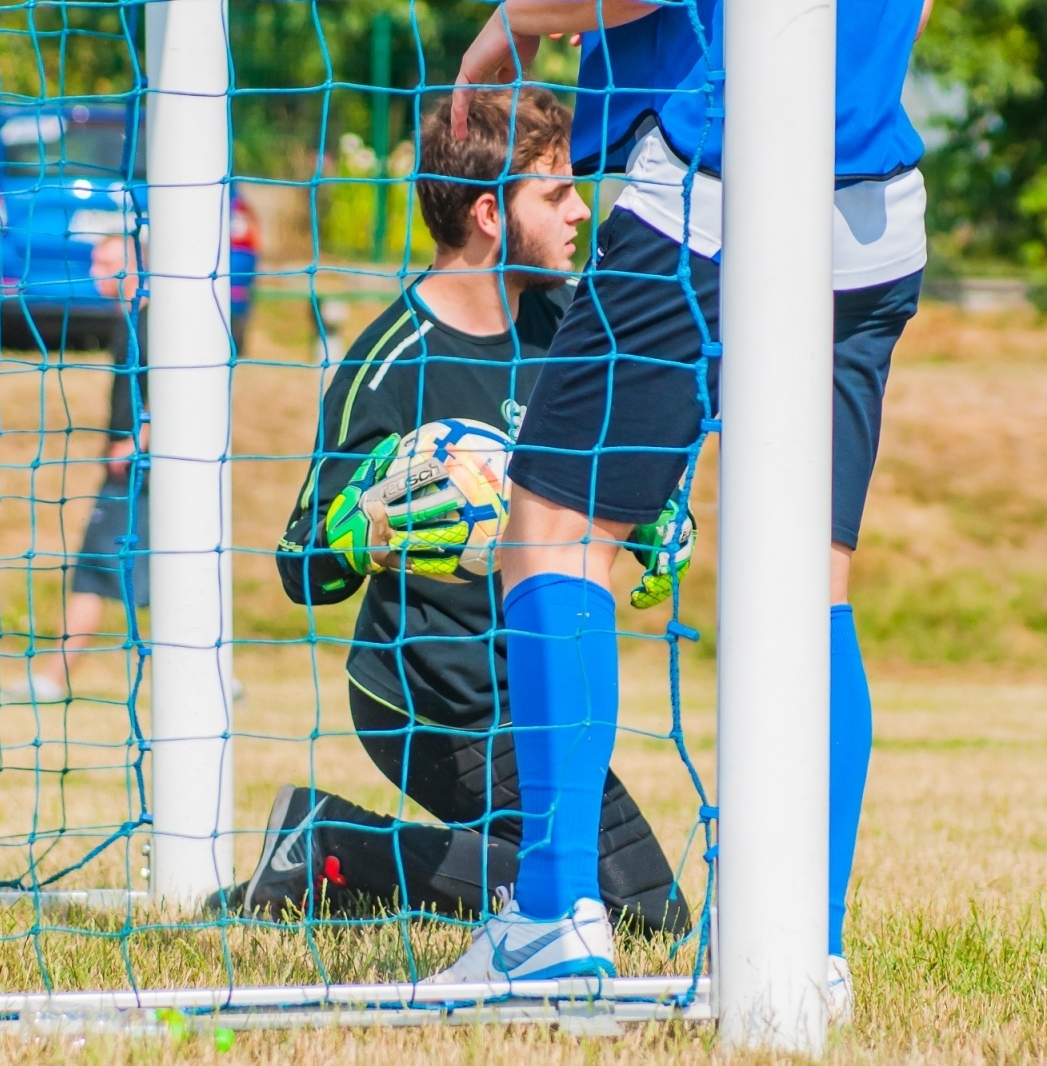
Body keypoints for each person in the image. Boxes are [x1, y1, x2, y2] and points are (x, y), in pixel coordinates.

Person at [428, 0, 933, 1008]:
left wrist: (510, 27)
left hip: (717, 190)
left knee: (553, 533)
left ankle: (551, 914)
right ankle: (809, 949)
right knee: (813, 585)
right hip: (875, 220)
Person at [222, 88, 694, 936]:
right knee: (632, 915)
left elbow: (603, 459)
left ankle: (327, 843)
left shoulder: (568, 325)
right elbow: (300, 564)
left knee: (645, 914)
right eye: (556, 193)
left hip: (537, 688)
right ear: (488, 213)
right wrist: (364, 526)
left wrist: (648, 508)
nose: (580, 211)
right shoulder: (389, 362)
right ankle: (330, 847)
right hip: (433, 706)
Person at [0, 235, 152, 704]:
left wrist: (138, 442)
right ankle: (218, 675)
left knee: (98, 573)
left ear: (135, 265)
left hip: (141, 473)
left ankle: (52, 680)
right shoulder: (133, 320)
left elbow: (180, 389)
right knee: (124, 575)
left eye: (104, 262)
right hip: (131, 470)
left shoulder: (155, 323)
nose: (93, 273)